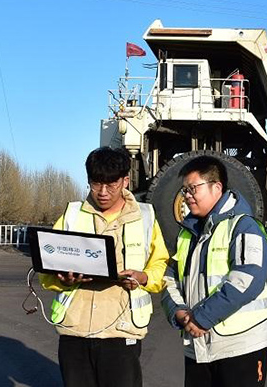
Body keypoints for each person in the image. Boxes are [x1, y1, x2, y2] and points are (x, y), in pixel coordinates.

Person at [39, 147, 169, 387]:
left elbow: (160, 263)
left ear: (126, 181)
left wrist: (143, 277)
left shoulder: (145, 216)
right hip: (75, 330)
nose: (103, 193)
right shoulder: (72, 215)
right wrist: (63, 280)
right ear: (88, 180)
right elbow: (47, 268)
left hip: (121, 331)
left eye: (112, 185)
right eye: (96, 184)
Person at [161, 156, 267, 387]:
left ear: (217, 187)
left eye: (193, 188)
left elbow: (248, 279)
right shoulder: (187, 233)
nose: (187, 196)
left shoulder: (244, 226)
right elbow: (169, 277)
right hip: (198, 347)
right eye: (184, 190)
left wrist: (202, 318)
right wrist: (178, 311)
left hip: (241, 347)